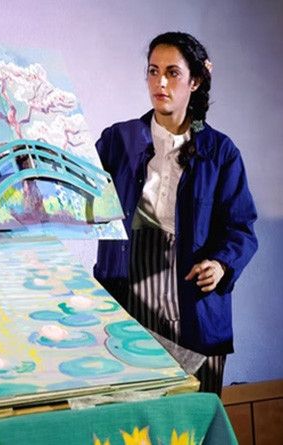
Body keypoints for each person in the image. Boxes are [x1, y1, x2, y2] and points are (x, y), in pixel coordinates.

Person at [93, 31, 258, 395]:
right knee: (133, 409)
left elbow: (241, 228)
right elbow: (79, 192)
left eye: (172, 73)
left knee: (193, 411)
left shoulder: (219, 151)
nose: (160, 83)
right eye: (153, 71)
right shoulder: (118, 139)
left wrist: (221, 264)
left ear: (194, 81)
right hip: (128, 292)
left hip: (194, 302)